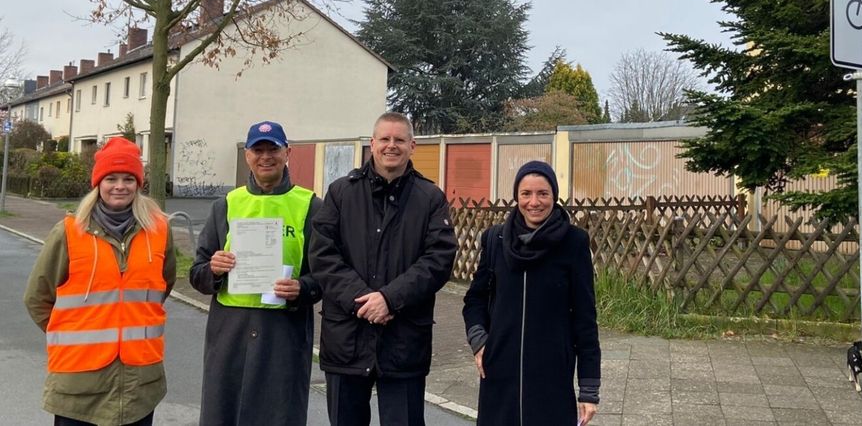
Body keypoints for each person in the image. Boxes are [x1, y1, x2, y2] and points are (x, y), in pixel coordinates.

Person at [309, 111, 458, 426]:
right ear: (372, 143)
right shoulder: (340, 193)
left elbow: (439, 258)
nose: (392, 146)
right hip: (346, 338)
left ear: (412, 145)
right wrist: (364, 300)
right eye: (385, 139)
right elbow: (322, 254)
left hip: (403, 342)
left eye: (399, 140)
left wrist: (390, 299)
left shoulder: (430, 198)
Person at [24, 137, 177, 426]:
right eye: (111, 178)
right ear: (98, 183)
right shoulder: (68, 232)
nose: (120, 186)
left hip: (139, 384)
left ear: (139, 183)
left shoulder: (158, 231)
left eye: (128, 178)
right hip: (78, 386)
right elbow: (37, 297)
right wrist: (72, 330)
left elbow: (162, 286)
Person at [189, 121, 322, 425]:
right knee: (224, 415)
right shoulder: (225, 206)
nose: (266, 156)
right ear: (247, 155)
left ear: (287, 152)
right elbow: (197, 274)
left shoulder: (311, 206)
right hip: (229, 338)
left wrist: (303, 289)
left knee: (279, 416)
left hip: (283, 336)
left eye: (272, 149)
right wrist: (214, 270)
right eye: (258, 149)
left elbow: (327, 275)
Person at [462, 160, 601, 425]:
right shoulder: (495, 240)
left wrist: (589, 389)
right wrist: (479, 340)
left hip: (552, 377)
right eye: (526, 193)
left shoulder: (574, 242)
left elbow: (585, 318)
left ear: (554, 196)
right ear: (516, 196)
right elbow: (475, 300)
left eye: (543, 193)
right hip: (499, 375)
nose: (534, 202)